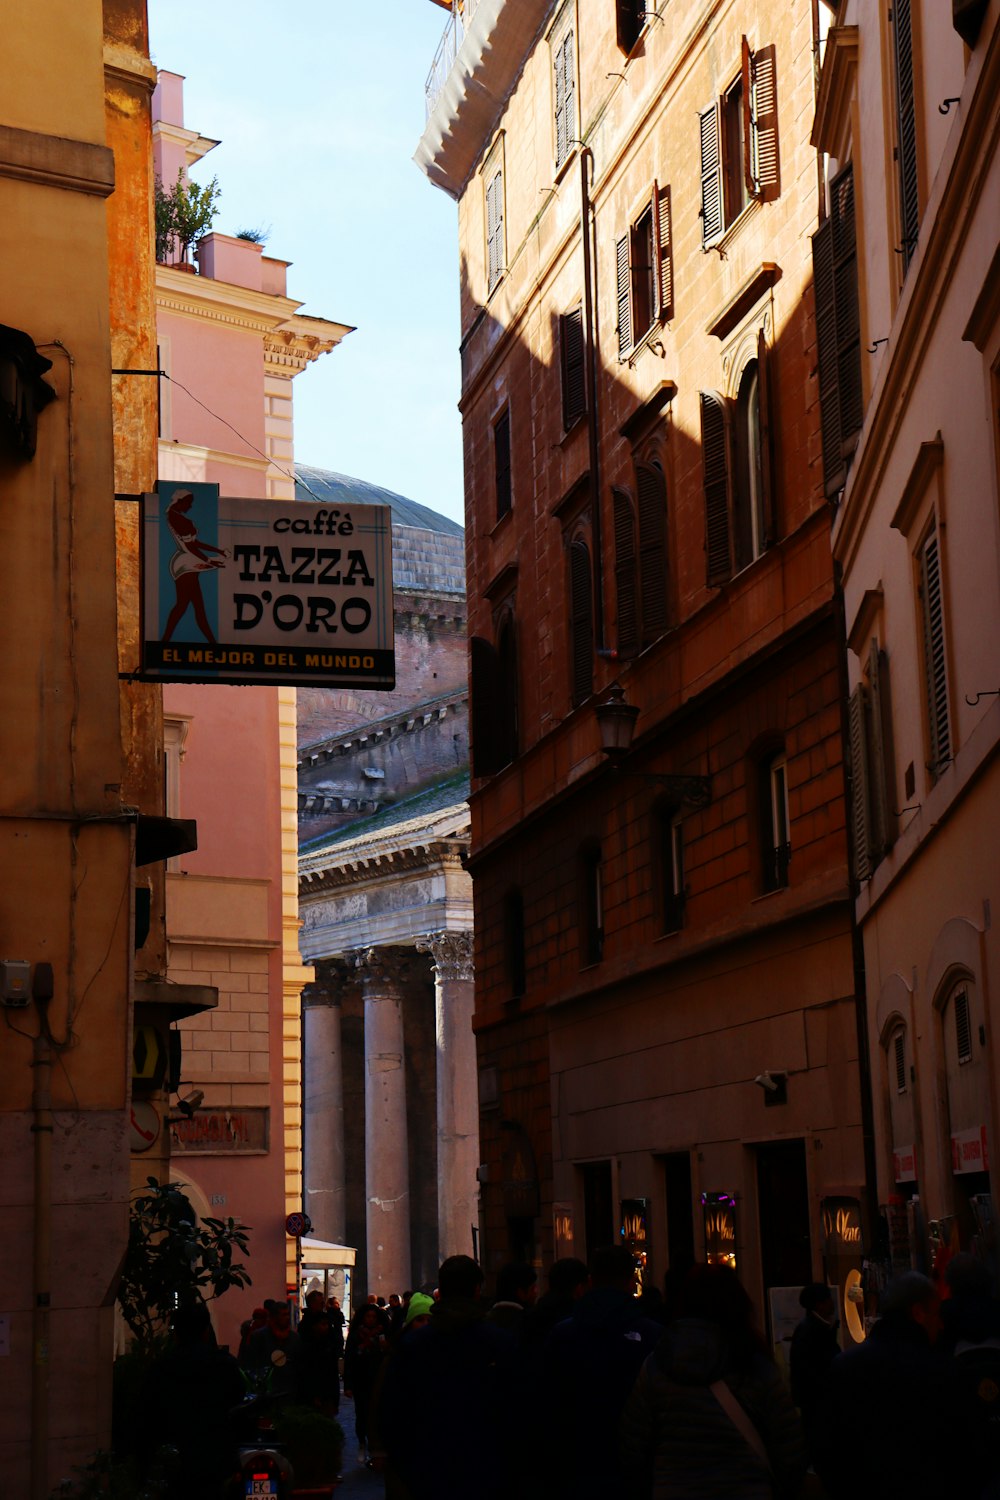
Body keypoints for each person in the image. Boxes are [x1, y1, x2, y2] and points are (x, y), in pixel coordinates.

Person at [620, 1262, 806, 1500]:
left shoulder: (657, 1365)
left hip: (674, 1487)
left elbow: (633, 1445)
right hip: (746, 1488)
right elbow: (789, 1446)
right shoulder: (754, 1365)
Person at [823, 1269, 975, 1498]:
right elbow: (964, 1452)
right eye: (936, 1315)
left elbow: (832, 1451)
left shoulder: (844, 1367)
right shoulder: (945, 1371)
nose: (941, 1325)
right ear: (918, 1313)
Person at [378, 1254, 518, 1499]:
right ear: (477, 1290)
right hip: (486, 1472)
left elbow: (392, 1415)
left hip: (428, 1473)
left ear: (440, 1292)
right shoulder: (501, 1344)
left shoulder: (412, 1346)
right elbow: (518, 1414)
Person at [541, 1245, 664, 1500]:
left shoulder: (562, 1335)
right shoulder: (653, 1336)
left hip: (576, 1460)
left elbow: (548, 1401)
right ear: (631, 1282)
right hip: (635, 1465)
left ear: (590, 1281)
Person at [140, 1298, 246, 1500]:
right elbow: (237, 1399)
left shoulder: (162, 1368)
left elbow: (147, 1414)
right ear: (206, 1330)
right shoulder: (224, 1364)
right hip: (217, 1459)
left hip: (178, 1461)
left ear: (176, 1332)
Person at [160, 488, 227, 645]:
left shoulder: (176, 517)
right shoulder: (178, 519)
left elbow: (194, 543)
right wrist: (209, 560)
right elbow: (190, 547)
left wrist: (218, 551)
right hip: (186, 564)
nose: (190, 507)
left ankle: (165, 642)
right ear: (180, 501)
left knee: (187, 605)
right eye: (188, 503)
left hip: (189, 561)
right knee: (191, 606)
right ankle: (211, 643)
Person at [788, 1282, 839, 1470]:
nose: (832, 1303)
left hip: (813, 1401)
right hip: (818, 1401)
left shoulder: (810, 1328)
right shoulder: (814, 1331)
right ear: (819, 1304)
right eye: (828, 1300)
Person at [343, 1301, 389, 1465]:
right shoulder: (356, 1335)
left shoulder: (383, 1334)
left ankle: (374, 1447)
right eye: (368, 1316)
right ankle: (362, 1442)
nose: (371, 1319)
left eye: (373, 1316)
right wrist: (348, 1384)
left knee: (377, 1414)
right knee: (361, 1413)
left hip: (378, 1380)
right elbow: (349, 1358)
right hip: (360, 1379)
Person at [241, 1298, 302, 1403]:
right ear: (274, 1317)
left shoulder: (294, 1338)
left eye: (287, 1314)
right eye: (283, 1315)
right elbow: (251, 1364)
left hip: (289, 1390)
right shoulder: (259, 1337)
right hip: (267, 1391)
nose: (287, 1318)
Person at [487, 1260, 538, 1336]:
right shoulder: (530, 1325)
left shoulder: (484, 1322)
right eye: (533, 1288)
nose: (536, 1292)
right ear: (520, 1292)